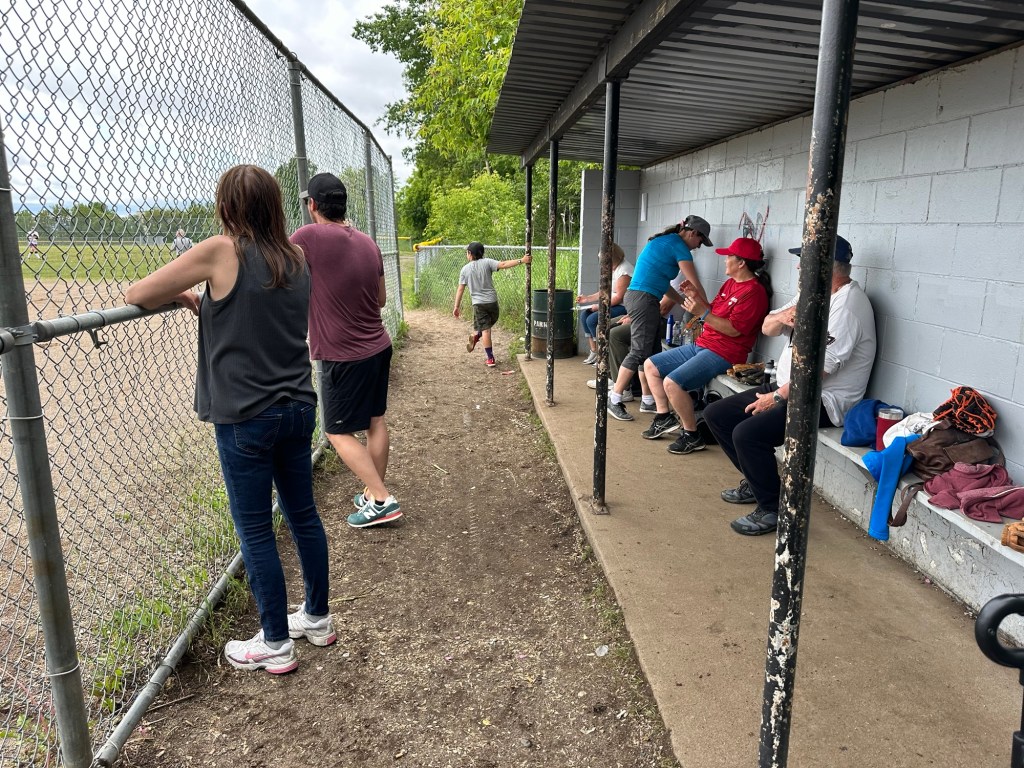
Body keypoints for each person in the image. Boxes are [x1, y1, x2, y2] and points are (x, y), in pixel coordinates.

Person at [126, 165, 333, 674]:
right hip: (298, 406)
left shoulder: (221, 250)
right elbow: (256, 314)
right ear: (275, 205)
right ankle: (317, 618)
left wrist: (183, 294)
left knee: (255, 529)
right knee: (303, 515)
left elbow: (138, 293)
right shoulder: (295, 256)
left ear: (226, 206)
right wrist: (204, 303)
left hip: (246, 416)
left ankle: (275, 642)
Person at [703, 235, 877, 536]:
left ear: (824, 267)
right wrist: (783, 316)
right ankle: (758, 483)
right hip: (788, 388)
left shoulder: (847, 306)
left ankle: (774, 509)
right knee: (717, 414)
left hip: (823, 401)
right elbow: (767, 327)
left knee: (747, 434)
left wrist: (776, 398)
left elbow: (816, 372)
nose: (798, 267)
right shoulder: (812, 294)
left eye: (804, 261)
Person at [290, 173, 401, 530]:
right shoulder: (368, 242)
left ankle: (381, 499)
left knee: (336, 432)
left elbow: (279, 269)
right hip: (378, 345)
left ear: (312, 205)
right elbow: (380, 299)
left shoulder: (307, 236)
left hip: (343, 354)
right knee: (375, 421)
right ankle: (372, 493)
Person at [642, 237, 772, 455]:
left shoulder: (754, 292)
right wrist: (696, 298)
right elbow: (713, 312)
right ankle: (664, 417)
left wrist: (702, 312)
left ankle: (691, 435)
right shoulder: (731, 283)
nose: (725, 260)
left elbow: (734, 330)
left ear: (741, 263)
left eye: (729, 257)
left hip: (725, 352)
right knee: (650, 366)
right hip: (704, 344)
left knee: (672, 383)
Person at [607, 215, 712, 422]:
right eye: (700, 241)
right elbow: (695, 284)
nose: (698, 247)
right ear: (692, 233)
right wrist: (709, 310)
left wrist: (683, 302)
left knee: (651, 353)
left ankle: (648, 400)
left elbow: (662, 283)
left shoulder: (665, 242)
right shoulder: (679, 246)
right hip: (643, 299)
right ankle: (615, 397)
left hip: (645, 298)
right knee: (639, 351)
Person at [452, 241, 531, 367]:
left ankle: (489, 356)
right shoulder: (488, 262)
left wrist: (456, 306)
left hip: (478, 304)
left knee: (486, 330)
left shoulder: (464, 270)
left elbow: (460, 289)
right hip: (492, 302)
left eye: (467, 252)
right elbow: (504, 264)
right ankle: (480, 335)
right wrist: (522, 260)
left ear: (470, 254)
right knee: (488, 325)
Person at [576, 243, 631, 365]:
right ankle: (594, 350)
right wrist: (588, 299)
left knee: (593, 320)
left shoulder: (624, 271)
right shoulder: (614, 268)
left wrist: (600, 306)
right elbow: (605, 291)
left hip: (623, 306)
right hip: (613, 304)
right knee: (585, 315)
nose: (603, 264)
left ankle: (602, 353)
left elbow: (619, 297)